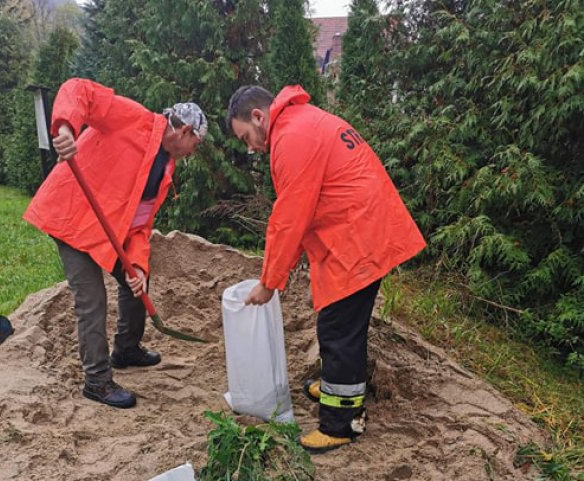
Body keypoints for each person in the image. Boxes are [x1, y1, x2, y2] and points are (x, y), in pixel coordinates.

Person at [226, 85, 426, 451]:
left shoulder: (291, 138)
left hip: (358, 238)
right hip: (364, 229)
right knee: (344, 324)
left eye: (246, 137)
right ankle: (337, 384)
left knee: (338, 328)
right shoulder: (304, 121)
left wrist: (269, 282)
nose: (251, 147)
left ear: (258, 116)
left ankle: (341, 422)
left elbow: (289, 218)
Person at [24, 78, 207, 409]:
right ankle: (97, 380)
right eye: (198, 142)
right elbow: (79, 90)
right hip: (72, 218)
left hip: (108, 230)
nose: (196, 150)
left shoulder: (165, 169)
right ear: (185, 132)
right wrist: (66, 127)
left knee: (137, 280)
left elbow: (139, 225)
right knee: (92, 298)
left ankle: (126, 348)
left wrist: (136, 265)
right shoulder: (132, 119)